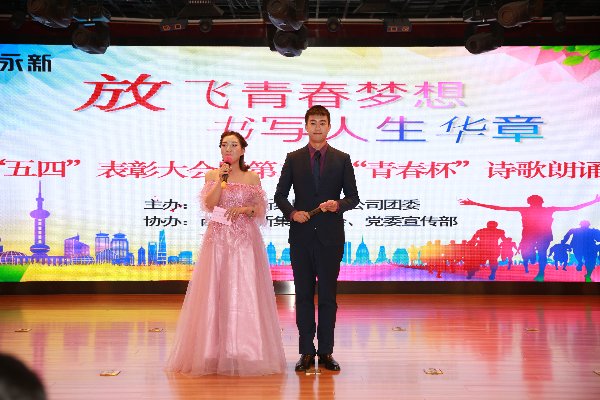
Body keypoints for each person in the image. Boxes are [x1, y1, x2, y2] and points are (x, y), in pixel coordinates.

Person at [166, 131, 286, 376]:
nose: (228, 148)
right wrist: (221, 181)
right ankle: (213, 350)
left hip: (245, 240)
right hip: (218, 239)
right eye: (224, 145)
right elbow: (209, 205)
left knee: (244, 291)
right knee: (215, 291)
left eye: (233, 145)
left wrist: (244, 209)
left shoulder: (252, 177)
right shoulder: (213, 175)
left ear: (242, 150)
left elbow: (260, 210)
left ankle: (245, 348)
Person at [274, 105, 360, 372]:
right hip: (301, 238)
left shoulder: (342, 159)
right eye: (313, 122)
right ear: (306, 126)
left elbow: (353, 197)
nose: (318, 127)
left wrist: (338, 205)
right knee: (302, 296)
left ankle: (326, 351)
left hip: (330, 239)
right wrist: (292, 213)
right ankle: (306, 351)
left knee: (327, 297)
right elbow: (280, 195)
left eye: (322, 122)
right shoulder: (293, 158)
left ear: (330, 127)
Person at [459, 194, 600, 282]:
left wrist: (594, 202)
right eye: (534, 201)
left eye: (536, 201)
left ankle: (540, 273)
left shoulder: (543, 209)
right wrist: (475, 203)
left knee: (540, 253)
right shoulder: (534, 209)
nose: (535, 203)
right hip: (533, 236)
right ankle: (535, 263)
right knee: (533, 253)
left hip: (540, 236)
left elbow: (573, 208)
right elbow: (574, 208)